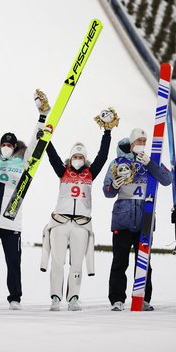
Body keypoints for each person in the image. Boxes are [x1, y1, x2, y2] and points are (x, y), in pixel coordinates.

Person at [0, 90, 49, 310]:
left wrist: (42, 117)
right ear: (0, 145)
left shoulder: (22, 162)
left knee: (13, 262)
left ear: (15, 148)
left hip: (11, 221)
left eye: (10, 145)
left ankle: (15, 298)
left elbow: (35, 143)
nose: (6, 147)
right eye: (4, 143)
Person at [40, 108, 116, 311]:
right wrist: (45, 135)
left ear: (85, 158)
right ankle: (55, 297)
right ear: (70, 157)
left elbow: (103, 155)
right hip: (60, 222)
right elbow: (51, 154)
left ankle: (73, 297)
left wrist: (107, 133)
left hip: (81, 224)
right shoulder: (62, 170)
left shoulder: (91, 173)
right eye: (75, 156)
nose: (78, 159)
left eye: (81, 156)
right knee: (57, 261)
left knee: (76, 264)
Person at [103, 128, 172, 311]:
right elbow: (106, 191)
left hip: (145, 219)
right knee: (120, 261)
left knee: (144, 262)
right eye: (138, 141)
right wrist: (113, 186)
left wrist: (150, 164)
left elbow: (167, 179)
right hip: (123, 218)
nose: (141, 144)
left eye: (143, 141)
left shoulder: (152, 161)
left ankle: (143, 297)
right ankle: (117, 299)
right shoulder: (117, 163)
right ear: (131, 144)